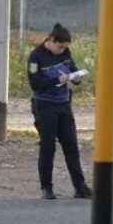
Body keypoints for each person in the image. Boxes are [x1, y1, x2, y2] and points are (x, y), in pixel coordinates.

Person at [27, 23, 93, 200]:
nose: (62, 50)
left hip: (63, 104)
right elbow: (35, 83)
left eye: (65, 47)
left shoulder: (65, 53)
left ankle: (80, 187)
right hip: (44, 105)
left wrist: (76, 77)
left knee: (71, 145)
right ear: (50, 40)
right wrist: (57, 79)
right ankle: (46, 187)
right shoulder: (36, 56)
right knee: (48, 147)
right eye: (60, 46)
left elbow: (72, 69)